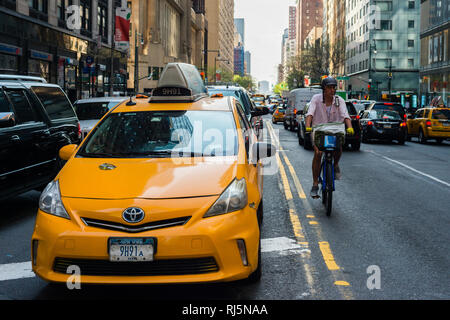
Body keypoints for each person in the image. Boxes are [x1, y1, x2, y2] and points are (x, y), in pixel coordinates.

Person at [305, 77, 354, 199]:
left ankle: (335, 164)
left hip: (335, 129)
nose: (332, 90)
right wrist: (307, 126)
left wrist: (349, 127)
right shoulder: (316, 99)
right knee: (318, 152)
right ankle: (315, 184)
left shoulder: (339, 100)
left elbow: (345, 115)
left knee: (339, 147)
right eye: (330, 88)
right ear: (324, 89)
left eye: (334, 88)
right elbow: (310, 114)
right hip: (319, 129)